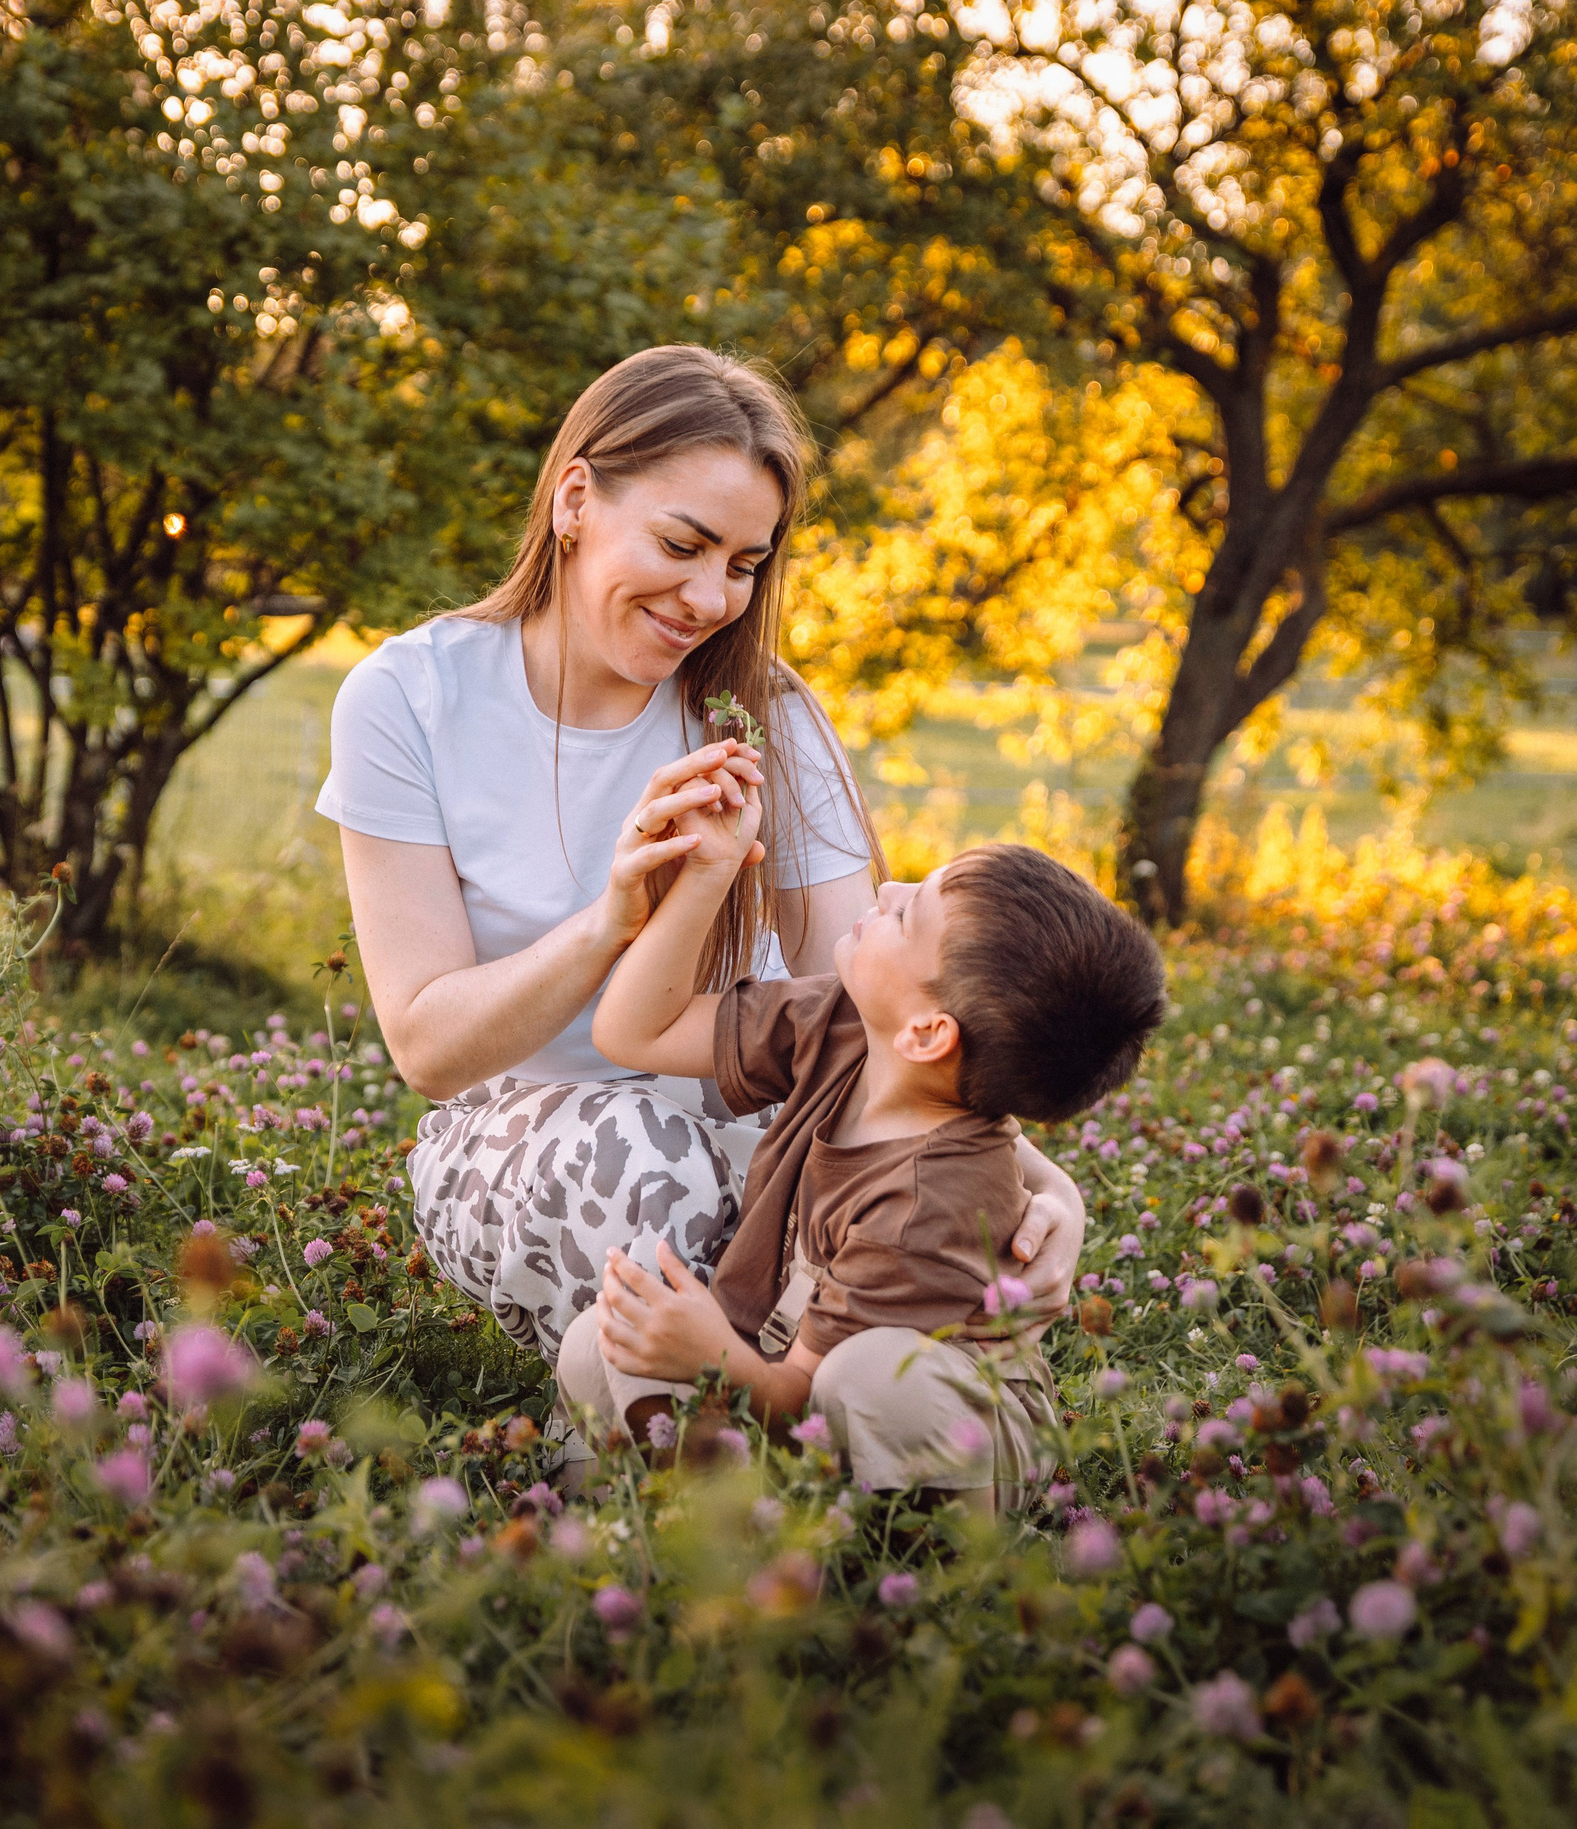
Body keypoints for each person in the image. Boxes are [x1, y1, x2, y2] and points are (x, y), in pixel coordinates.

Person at [317, 344, 1089, 1366]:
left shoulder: (767, 713)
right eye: (681, 543)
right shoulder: (410, 698)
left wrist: (1043, 1183)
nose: (709, 597)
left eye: (742, 563)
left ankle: (748, 1412)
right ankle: (693, 1445)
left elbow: (861, 1006)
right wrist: (610, 920)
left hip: (759, 1126)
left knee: (914, 1238)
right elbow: (427, 1047)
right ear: (576, 498)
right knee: (649, 1165)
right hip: (522, 1135)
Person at [564, 807, 1165, 1505]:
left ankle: (891, 1552)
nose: (887, 889)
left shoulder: (931, 1200)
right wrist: (706, 870)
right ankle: (652, 1531)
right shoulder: (842, 1024)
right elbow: (633, 1030)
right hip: (789, 1374)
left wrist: (713, 1357)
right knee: (602, 1335)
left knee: (867, 1374)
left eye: (909, 914)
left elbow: (804, 1397)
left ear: (927, 1032)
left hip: (938, 1430)